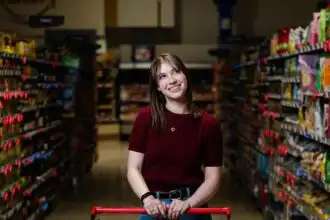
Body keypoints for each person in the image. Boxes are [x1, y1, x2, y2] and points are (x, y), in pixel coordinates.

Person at [127, 53, 223, 220]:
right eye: (163, 76)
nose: (171, 80)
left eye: (176, 72)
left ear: (185, 75)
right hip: (153, 207)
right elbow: (133, 169)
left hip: (192, 208)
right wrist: (147, 198)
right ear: (157, 86)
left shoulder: (208, 124)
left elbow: (213, 178)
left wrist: (190, 203)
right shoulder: (145, 119)